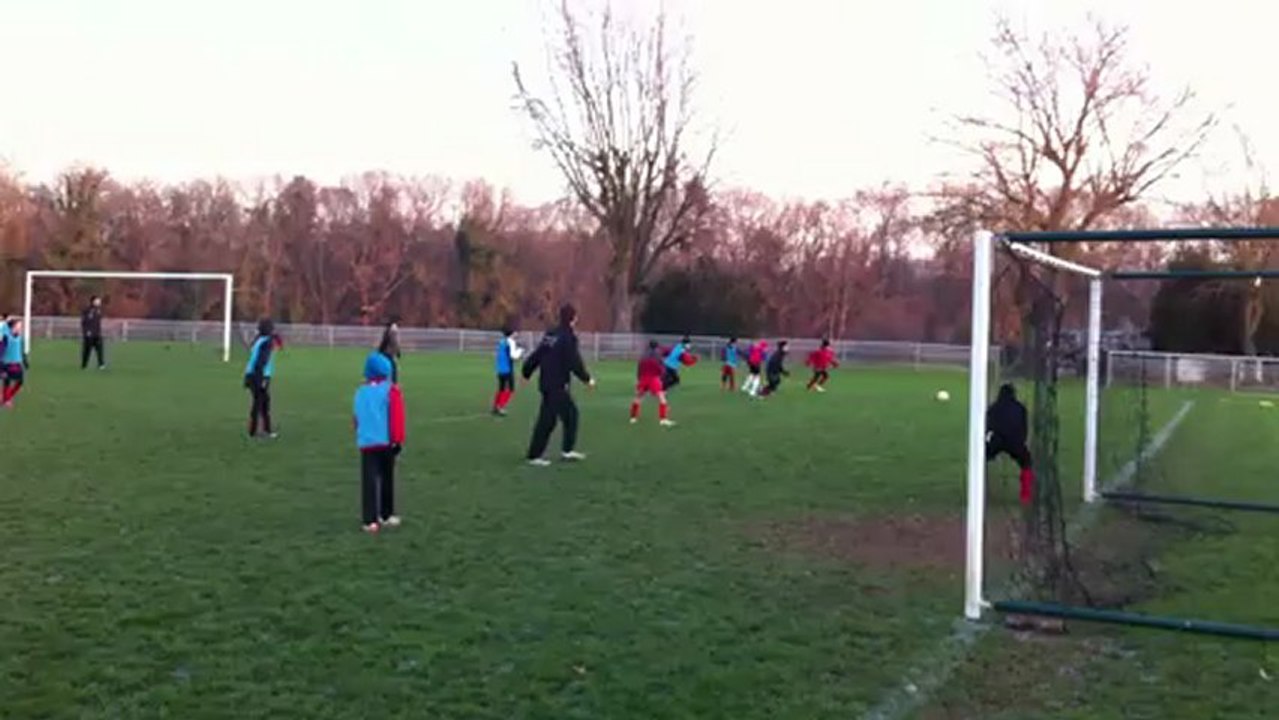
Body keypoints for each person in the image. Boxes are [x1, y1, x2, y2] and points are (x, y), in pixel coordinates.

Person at [522, 304, 595, 466]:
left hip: (547, 382)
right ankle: (534, 456)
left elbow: (537, 354)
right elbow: (574, 361)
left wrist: (527, 371)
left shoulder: (551, 334)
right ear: (573, 318)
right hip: (557, 385)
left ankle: (567, 451)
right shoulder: (568, 337)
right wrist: (587, 379)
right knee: (548, 420)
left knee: (570, 414)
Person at [354, 352, 406, 533]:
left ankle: (369, 520)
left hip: (367, 443)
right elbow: (397, 417)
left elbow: (356, 418)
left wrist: (360, 433)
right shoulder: (391, 390)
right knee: (387, 479)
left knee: (369, 482)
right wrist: (398, 440)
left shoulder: (360, 392)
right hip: (386, 442)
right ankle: (386, 514)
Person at [986, 383, 1036, 506]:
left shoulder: (993, 408)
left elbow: (988, 427)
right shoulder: (1021, 408)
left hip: (996, 440)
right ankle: (1025, 495)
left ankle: (979, 487)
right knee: (1027, 463)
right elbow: (1024, 429)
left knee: (981, 459)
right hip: (1015, 441)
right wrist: (1021, 443)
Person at [243, 318, 282, 439]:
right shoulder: (266, 342)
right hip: (259, 376)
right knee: (261, 403)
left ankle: (260, 430)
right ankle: (258, 431)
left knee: (261, 403)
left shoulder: (259, 340)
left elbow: (279, 343)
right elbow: (261, 362)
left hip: (251, 375)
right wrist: (262, 380)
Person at [631, 340, 674, 426]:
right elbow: (661, 370)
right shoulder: (657, 356)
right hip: (653, 379)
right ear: (657, 347)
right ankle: (663, 419)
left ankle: (633, 418)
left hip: (643, 379)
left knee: (638, 398)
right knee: (662, 398)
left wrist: (639, 379)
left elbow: (639, 370)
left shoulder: (643, 357)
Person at [492, 326, 524, 417]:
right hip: (508, 369)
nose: (516, 333)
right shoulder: (511, 342)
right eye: (515, 332)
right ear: (512, 333)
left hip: (500, 369)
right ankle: (501, 407)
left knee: (501, 388)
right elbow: (513, 356)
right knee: (510, 389)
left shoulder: (502, 341)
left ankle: (495, 406)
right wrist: (520, 350)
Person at [1, 317, 27, 408]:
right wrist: (1, 367)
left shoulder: (19, 337)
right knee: (7, 382)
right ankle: (6, 400)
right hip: (7, 364)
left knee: (20, 382)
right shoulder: (6, 338)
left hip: (17, 364)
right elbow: (1, 352)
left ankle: (7, 397)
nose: (20, 328)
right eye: (19, 326)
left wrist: (25, 360)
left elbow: (20, 350)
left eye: (21, 326)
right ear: (13, 327)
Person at [81, 296, 106, 370]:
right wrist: (86, 332)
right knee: (87, 350)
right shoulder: (87, 310)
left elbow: (97, 323)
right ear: (93, 301)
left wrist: (99, 332)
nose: (99, 302)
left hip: (97, 334)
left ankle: (101, 364)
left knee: (100, 350)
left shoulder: (99, 310)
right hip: (89, 334)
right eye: (97, 300)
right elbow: (84, 322)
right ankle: (84, 365)